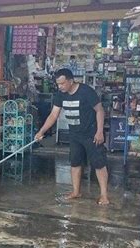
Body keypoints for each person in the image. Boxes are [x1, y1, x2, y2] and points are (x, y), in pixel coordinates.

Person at [35, 68, 110, 205]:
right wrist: (41, 132)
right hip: (75, 134)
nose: (60, 86)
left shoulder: (86, 91)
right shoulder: (60, 95)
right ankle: (76, 191)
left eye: (62, 83)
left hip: (91, 133)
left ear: (70, 81)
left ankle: (104, 195)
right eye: (58, 84)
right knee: (75, 162)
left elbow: (100, 110)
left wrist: (99, 131)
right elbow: (53, 115)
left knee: (99, 163)